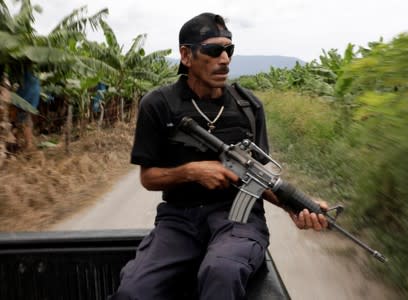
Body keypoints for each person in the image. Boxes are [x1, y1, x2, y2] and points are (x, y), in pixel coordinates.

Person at [109, 12, 328, 300]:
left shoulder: (249, 106)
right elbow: (149, 178)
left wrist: (296, 207)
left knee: (222, 272)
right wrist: (191, 171)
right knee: (134, 291)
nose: (224, 59)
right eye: (213, 50)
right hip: (179, 220)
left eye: (229, 50)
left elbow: (259, 178)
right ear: (186, 56)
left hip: (238, 221)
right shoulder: (158, 104)